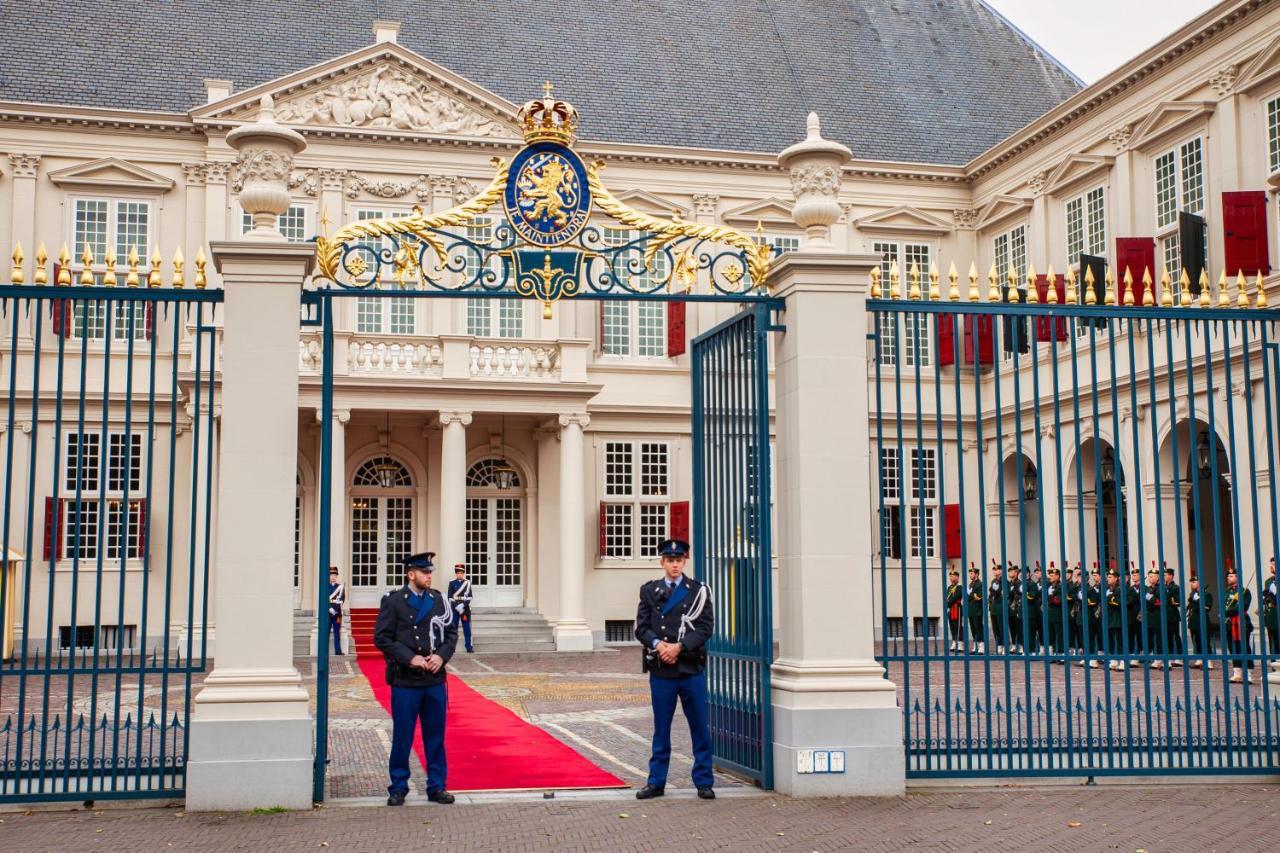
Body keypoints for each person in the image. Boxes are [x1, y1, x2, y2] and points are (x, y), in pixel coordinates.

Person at [374, 552, 458, 806]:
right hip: (405, 681)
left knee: (435, 736)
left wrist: (441, 657)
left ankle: (437, 785)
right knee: (403, 736)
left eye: (430, 572)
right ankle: (398, 787)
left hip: (433, 680)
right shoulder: (394, 601)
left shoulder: (439, 600)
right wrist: (410, 658)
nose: (429, 576)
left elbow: (452, 633)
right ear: (411, 574)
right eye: (424, 572)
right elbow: (382, 638)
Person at [634, 539, 715, 801]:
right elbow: (641, 628)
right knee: (661, 729)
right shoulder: (649, 591)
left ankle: (703, 782)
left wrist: (679, 647)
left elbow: (705, 627)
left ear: (684, 561)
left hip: (690, 668)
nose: (675, 565)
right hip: (662, 671)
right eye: (670, 560)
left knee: (699, 727)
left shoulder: (698, 591)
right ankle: (656, 782)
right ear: (662, 562)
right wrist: (659, 645)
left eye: (679, 560)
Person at [1224, 567, 1254, 684]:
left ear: (1237, 577)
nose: (1228, 578)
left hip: (1241, 622)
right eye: (1228, 576)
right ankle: (1237, 673)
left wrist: (1227, 612)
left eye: (1231, 576)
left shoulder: (1244, 591)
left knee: (1244, 647)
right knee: (1233, 648)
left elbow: (1242, 607)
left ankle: (1248, 673)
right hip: (1229, 623)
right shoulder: (1227, 591)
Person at [1186, 575, 1214, 669]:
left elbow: (1207, 607)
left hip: (1202, 620)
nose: (1192, 584)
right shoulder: (1192, 594)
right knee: (1196, 641)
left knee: (1204, 640)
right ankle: (1199, 659)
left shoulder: (1207, 595)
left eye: (1194, 582)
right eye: (1191, 582)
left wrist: (1199, 600)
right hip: (1193, 620)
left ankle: (1208, 661)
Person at [448, 564, 474, 653]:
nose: (460, 574)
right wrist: (457, 606)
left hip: (465, 609)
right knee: (454, 629)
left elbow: (470, 597)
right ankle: (452, 648)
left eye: (461, 573)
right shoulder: (452, 583)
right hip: (455, 609)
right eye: (458, 573)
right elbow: (450, 597)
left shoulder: (467, 583)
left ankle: (469, 647)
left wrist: (463, 606)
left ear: (463, 573)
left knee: (467, 629)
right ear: (456, 574)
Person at [1105, 569, 1125, 670]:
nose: (1108, 579)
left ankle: (1122, 660)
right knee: (1110, 640)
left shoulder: (1119, 590)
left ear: (1116, 579)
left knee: (1120, 640)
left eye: (1110, 577)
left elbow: (1119, 603)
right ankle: (1113, 660)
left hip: (1117, 618)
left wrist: (1109, 598)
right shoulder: (1106, 589)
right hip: (1108, 618)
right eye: (1108, 577)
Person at [1044, 563, 1065, 661]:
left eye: (1052, 576)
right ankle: (1051, 654)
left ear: (1057, 576)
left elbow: (1059, 600)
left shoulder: (1061, 586)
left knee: (1059, 634)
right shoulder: (1049, 586)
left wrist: (1050, 598)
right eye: (1050, 575)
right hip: (1050, 613)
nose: (1050, 577)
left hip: (1058, 614)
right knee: (1050, 634)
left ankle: (1061, 653)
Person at [1162, 566, 1183, 663]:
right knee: (1167, 636)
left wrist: (1168, 597)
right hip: (1164, 615)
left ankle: (1179, 656)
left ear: (1171, 576)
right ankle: (1169, 655)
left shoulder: (1175, 587)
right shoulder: (1162, 587)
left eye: (1165, 575)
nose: (1163, 577)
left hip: (1172, 615)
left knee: (1175, 635)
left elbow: (1178, 601)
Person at [966, 564, 985, 654]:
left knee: (978, 628)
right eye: (970, 573)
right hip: (971, 609)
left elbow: (979, 596)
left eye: (972, 573)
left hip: (977, 610)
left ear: (977, 574)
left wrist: (971, 595)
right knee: (973, 629)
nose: (970, 575)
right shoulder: (970, 584)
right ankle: (975, 646)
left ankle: (982, 647)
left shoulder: (980, 584)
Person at [327, 566, 346, 656]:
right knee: (325, 632)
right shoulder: (325, 586)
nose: (333, 577)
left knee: (337, 633)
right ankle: (324, 650)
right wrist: (329, 608)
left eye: (335, 575)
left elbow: (342, 599)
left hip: (337, 613)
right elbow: (324, 599)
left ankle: (338, 651)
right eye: (331, 575)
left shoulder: (340, 587)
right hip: (327, 613)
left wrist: (336, 609)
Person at [988, 563, 1006, 654]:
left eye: (997, 570)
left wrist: (994, 591)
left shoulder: (1004, 581)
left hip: (1000, 608)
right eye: (994, 570)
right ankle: (999, 646)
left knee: (1002, 628)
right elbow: (991, 594)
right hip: (994, 608)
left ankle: (1005, 646)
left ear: (1001, 571)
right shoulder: (993, 581)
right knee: (996, 629)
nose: (995, 571)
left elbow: (999, 593)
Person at [1006, 564, 1024, 654]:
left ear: (1016, 573)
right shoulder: (1009, 583)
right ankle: (1013, 645)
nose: (1010, 573)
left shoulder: (1019, 583)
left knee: (1019, 628)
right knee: (1012, 628)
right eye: (1009, 571)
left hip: (1017, 609)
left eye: (1012, 571)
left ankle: (1021, 646)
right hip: (1010, 609)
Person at [945, 568, 964, 652]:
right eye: (950, 576)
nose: (951, 578)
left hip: (957, 608)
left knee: (958, 626)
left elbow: (956, 596)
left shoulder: (959, 587)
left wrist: (948, 602)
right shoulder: (949, 587)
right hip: (950, 608)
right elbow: (946, 596)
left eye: (952, 576)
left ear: (957, 577)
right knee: (952, 626)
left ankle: (960, 643)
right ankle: (954, 641)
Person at [1263, 557, 1278, 656]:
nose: (1271, 566)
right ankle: (1274, 662)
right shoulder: (1268, 581)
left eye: (1274, 564)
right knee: (1273, 641)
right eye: (1271, 564)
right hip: (1271, 615)